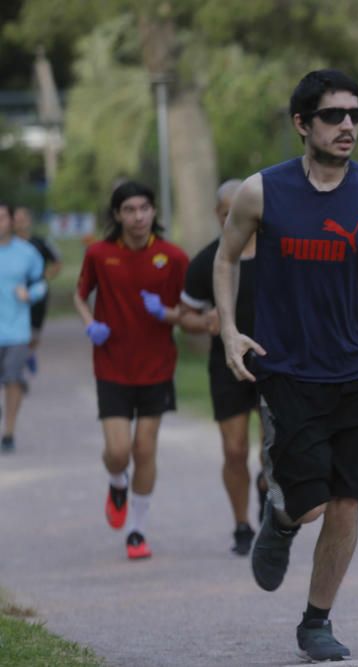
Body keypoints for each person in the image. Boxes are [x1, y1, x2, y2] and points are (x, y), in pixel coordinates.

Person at [214, 69, 358, 662]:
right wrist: (231, 330)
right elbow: (227, 259)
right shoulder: (261, 192)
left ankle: (316, 620)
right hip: (288, 372)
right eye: (334, 116)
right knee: (309, 503)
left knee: (347, 499)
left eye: (355, 116)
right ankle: (282, 518)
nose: (347, 126)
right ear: (302, 124)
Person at [74, 181, 189, 560]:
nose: (138, 217)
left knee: (145, 448)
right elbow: (80, 294)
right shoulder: (99, 254)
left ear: (154, 212)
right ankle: (115, 482)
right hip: (111, 365)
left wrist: (168, 313)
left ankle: (137, 531)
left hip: (157, 366)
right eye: (129, 210)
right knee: (119, 451)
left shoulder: (173, 257)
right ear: (117, 215)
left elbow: (190, 313)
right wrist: (90, 322)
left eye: (144, 208)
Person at [178, 179, 268, 556]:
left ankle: (267, 487)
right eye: (224, 212)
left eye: (239, 209)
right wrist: (205, 322)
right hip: (227, 365)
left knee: (276, 451)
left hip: (275, 363)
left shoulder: (277, 253)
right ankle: (242, 526)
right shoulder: (207, 261)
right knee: (233, 451)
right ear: (217, 216)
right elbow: (186, 315)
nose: (233, 217)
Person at [0, 203, 47, 453]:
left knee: (13, 380)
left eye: (2, 218)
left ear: (11, 221)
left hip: (16, 329)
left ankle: (8, 432)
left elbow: (41, 284)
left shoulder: (27, 253)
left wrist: (29, 294)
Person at [13, 206, 62, 375]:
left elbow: (57, 261)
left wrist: (44, 278)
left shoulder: (40, 242)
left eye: (23, 218)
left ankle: (28, 353)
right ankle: (17, 363)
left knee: (34, 333)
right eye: (17, 219)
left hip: (36, 293)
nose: (20, 222)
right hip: (14, 295)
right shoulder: (8, 244)